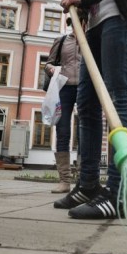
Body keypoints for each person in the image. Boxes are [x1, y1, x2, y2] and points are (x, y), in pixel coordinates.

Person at [55, 0, 127, 219]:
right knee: (86, 104)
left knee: (119, 97)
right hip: (95, 23)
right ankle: (88, 185)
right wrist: (81, 5)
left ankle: (119, 190)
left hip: (122, 15)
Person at [45, 14, 86, 193]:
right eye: (74, 22)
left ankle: (84, 179)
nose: (78, 24)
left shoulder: (91, 40)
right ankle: (64, 181)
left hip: (86, 87)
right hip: (64, 89)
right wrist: (51, 68)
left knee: (85, 132)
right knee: (63, 132)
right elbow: (48, 63)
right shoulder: (61, 41)